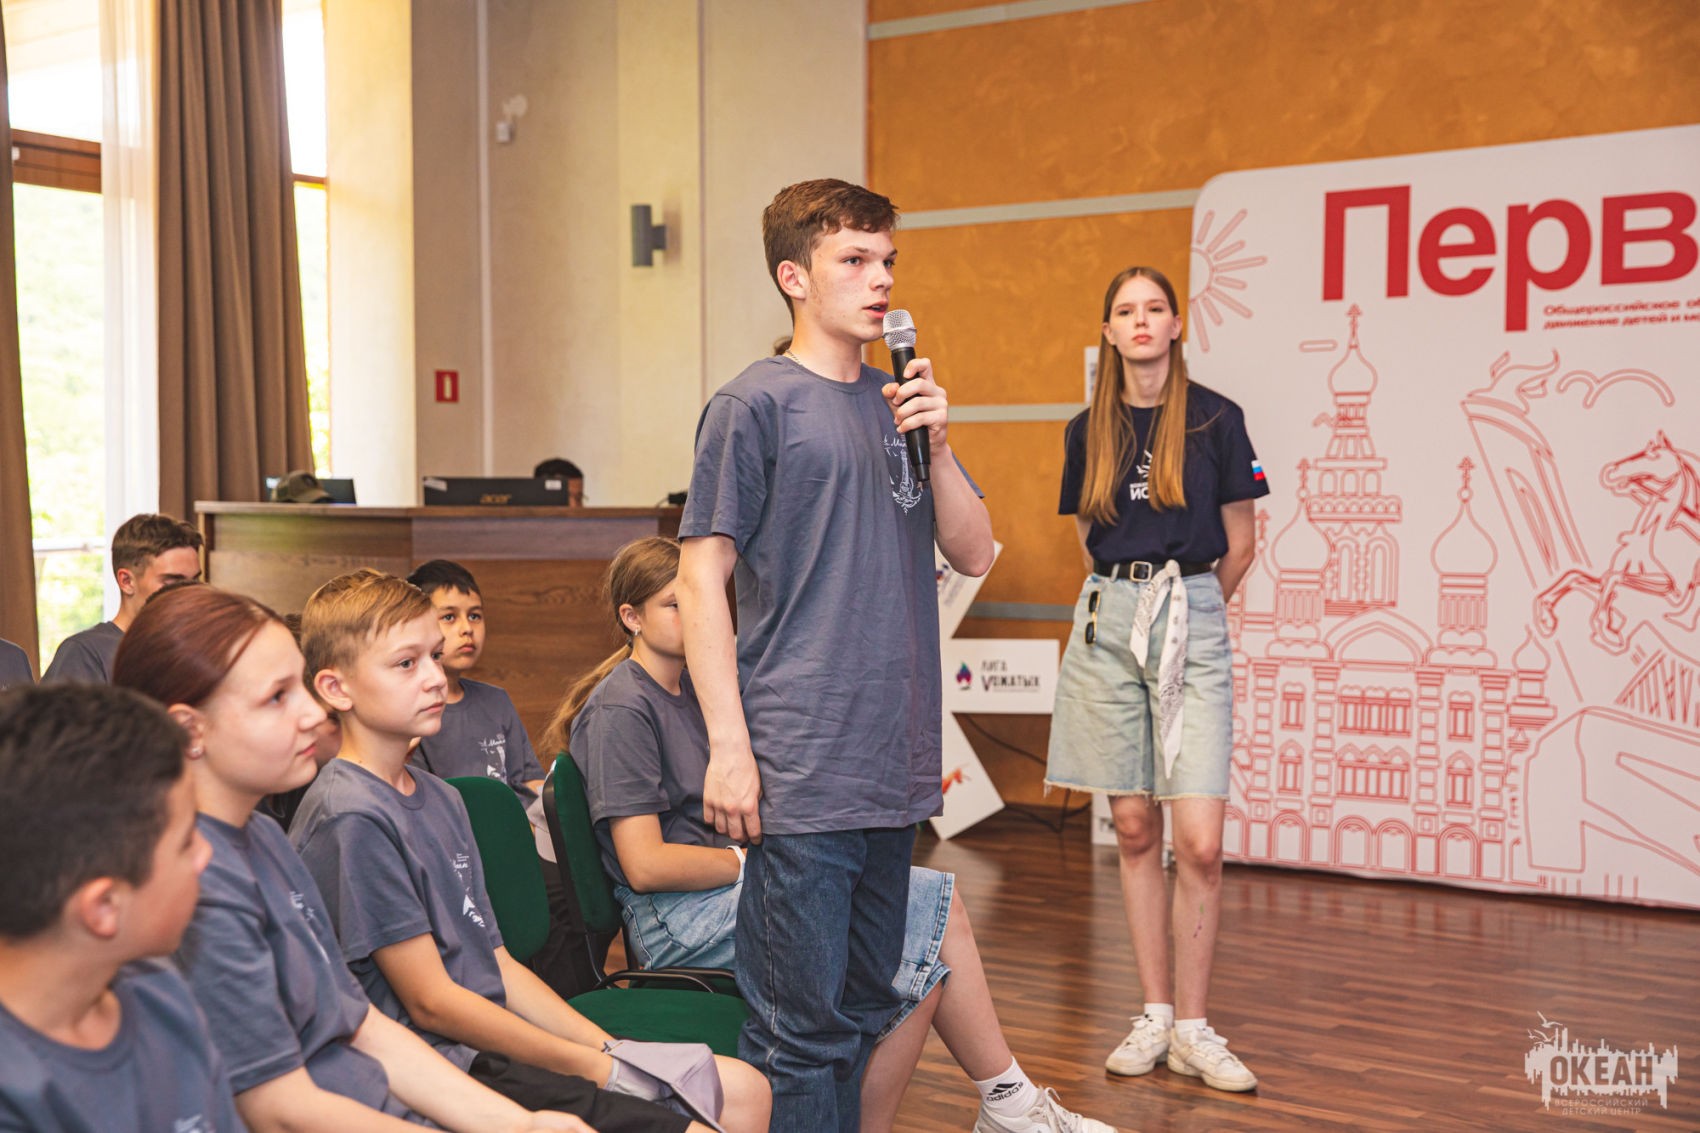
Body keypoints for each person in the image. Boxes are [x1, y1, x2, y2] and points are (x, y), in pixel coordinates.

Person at [548, 537, 1112, 1133]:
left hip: (723, 892)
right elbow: (645, 865)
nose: (697, 615)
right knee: (922, 921)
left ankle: (1001, 1102)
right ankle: (1010, 1102)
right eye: (674, 604)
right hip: (677, 920)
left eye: (699, 599)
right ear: (631, 617)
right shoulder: (621, 710)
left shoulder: (695, 689)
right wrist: (745, 864)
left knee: (917, 960)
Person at [676, 178, 994, 1130]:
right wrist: (729, 746)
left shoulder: (902, 403)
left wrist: (939, 445)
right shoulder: (754, 404)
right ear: (793, 276)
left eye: (887, 259)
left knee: (862, 1014)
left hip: (891, 766)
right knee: (799, 1039)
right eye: (853, 259)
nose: (880, 279)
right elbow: (699, 579)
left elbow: (976, 550)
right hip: (802, 764)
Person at [288, 568, 769, 1133]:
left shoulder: (443, 798)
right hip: (440, 1064)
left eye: (434, 658)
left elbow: (496, 962)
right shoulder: (352, 816)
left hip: (486, 1044)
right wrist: (596, 1066)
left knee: (746, 1090)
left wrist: (607, 1047)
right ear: (336, 689)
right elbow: (433, 1004)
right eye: (406, 664)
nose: (435, 679)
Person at [111, 584, 591, 1133]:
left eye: (299, 688)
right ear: (190, 730)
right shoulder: (197, 882)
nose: (312, 714)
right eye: (278, 697)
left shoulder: (263, 836)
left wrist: (520, 1125)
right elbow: (279, 1109)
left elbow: (363, 1025)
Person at [1045, 266, 1267, 1093]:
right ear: (1108, 331)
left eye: (1155, 309)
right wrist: (1129, 601)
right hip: (1109, 622)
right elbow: (1087, 537)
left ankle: (1197, 1029)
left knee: (1199, 840)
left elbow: (1241, 543)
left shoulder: (1217, 418)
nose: (1141, 322)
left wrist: (1191, 613)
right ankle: (1156, 1015)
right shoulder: (1086, 430)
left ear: (1177, 323)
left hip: (1191, 614)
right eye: (1125, 311)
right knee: (1135, 828)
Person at [0, 684, 242, 1132]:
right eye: (186, 841)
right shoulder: (15, 1098)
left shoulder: (161, 994)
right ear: (104, 908)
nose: (206, 853)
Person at [406, 559, 545, 801]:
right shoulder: (410, 710)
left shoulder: (496, 700)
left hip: (515, 822)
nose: (467, 628)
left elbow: (529, 782)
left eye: (474, 616)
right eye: (449, 617)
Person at [42, 512, 203, 684]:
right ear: (126, 581)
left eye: (194, 581)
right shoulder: (86, 654)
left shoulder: (198, 649)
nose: (189, 592)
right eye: (172, 582)